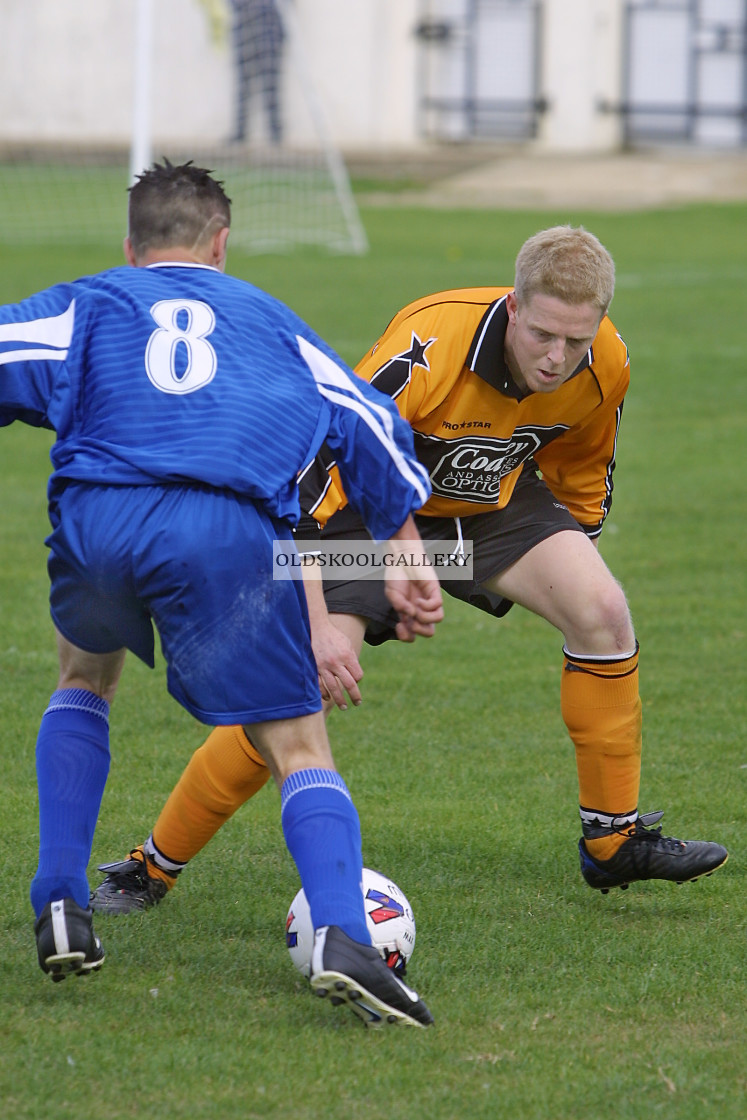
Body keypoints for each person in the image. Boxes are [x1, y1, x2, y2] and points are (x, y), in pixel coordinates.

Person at [91, 224, 729, 917]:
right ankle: (150, 866)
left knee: (601, 612)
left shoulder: (604, 363)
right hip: (365, 515)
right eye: (543, 334)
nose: (557, 358)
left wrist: (571, 562)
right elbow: (308, 487)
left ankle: (613, 842)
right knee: (295, 683)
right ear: (513, 307)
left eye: (576, 341)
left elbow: (580, 472)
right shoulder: (426, 348)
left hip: (489, 506)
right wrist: (316, 624)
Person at [0, 159, 445, 1028]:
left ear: (131, 246)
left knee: (84, 681)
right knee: (296, 743)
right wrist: (401, 545)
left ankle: (60, 899)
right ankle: (345, 940)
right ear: (222, 242)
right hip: (225, 532)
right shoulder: (271, 322)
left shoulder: (87, 302)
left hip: (101, 516)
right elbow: (368, 420)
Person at [229, 0, 285, 145]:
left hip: (270, 32)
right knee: (243, 85)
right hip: (245, 30)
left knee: (271, 86)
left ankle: (275, 133)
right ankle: (240, 132)